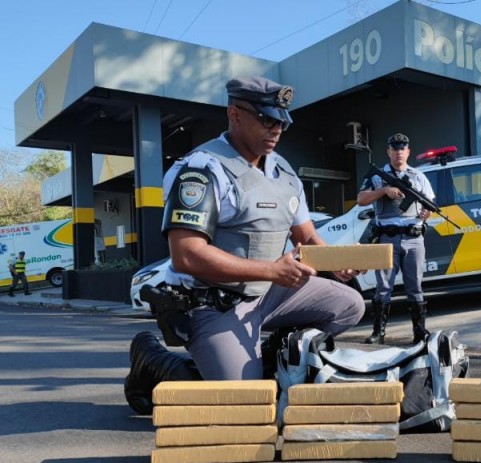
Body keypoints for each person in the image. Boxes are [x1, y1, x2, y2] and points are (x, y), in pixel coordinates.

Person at [124, 75, 366, 414]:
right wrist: (271, 270)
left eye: (281, 121)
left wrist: (336, 261)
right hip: (214, 302)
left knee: (350, 304)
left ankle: (264, 364)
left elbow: (307, 237)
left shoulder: (284, 172)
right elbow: (186, 256)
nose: (277, 129)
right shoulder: (202, 169)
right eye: (266, 119)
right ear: (234, 115)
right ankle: (155, 360)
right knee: (247, 407)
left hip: (268, 291)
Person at [356, 133, 434, 345]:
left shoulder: (418, 176)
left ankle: (419, 332)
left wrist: (427, 213)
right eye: (395, 148)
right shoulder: (377, 176)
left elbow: (430, 203)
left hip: (413, 238)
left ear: (408, 152)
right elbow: (361, 199)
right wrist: (384, 190)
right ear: (388, 151)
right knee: (383, 287)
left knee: (415, 286)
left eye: (403, 148)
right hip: (387, 238)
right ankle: (378, 333)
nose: (399, 152)